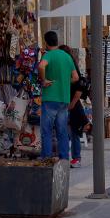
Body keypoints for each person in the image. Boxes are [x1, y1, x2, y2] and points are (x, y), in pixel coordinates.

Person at [37, 31, 78, 161]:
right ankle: (64, 159)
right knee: (62, 132)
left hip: (50, 98)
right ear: (58, 42)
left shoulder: (48, 55)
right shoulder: (67, 56)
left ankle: (46, 159)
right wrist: (65, 81)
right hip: (64, 98)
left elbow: (41, 66)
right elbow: (75, 77)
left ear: (45, 42)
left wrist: (44, 80)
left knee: (46, 132)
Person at [59, 45, 87, 168]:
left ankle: (76, 158)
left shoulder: (72, 68)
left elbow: (80, 86)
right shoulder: (63, 67)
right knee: (64, 132)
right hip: (63, 103)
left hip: (71, 105)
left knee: (74, 131)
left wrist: (73, 103)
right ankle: (65, 157)